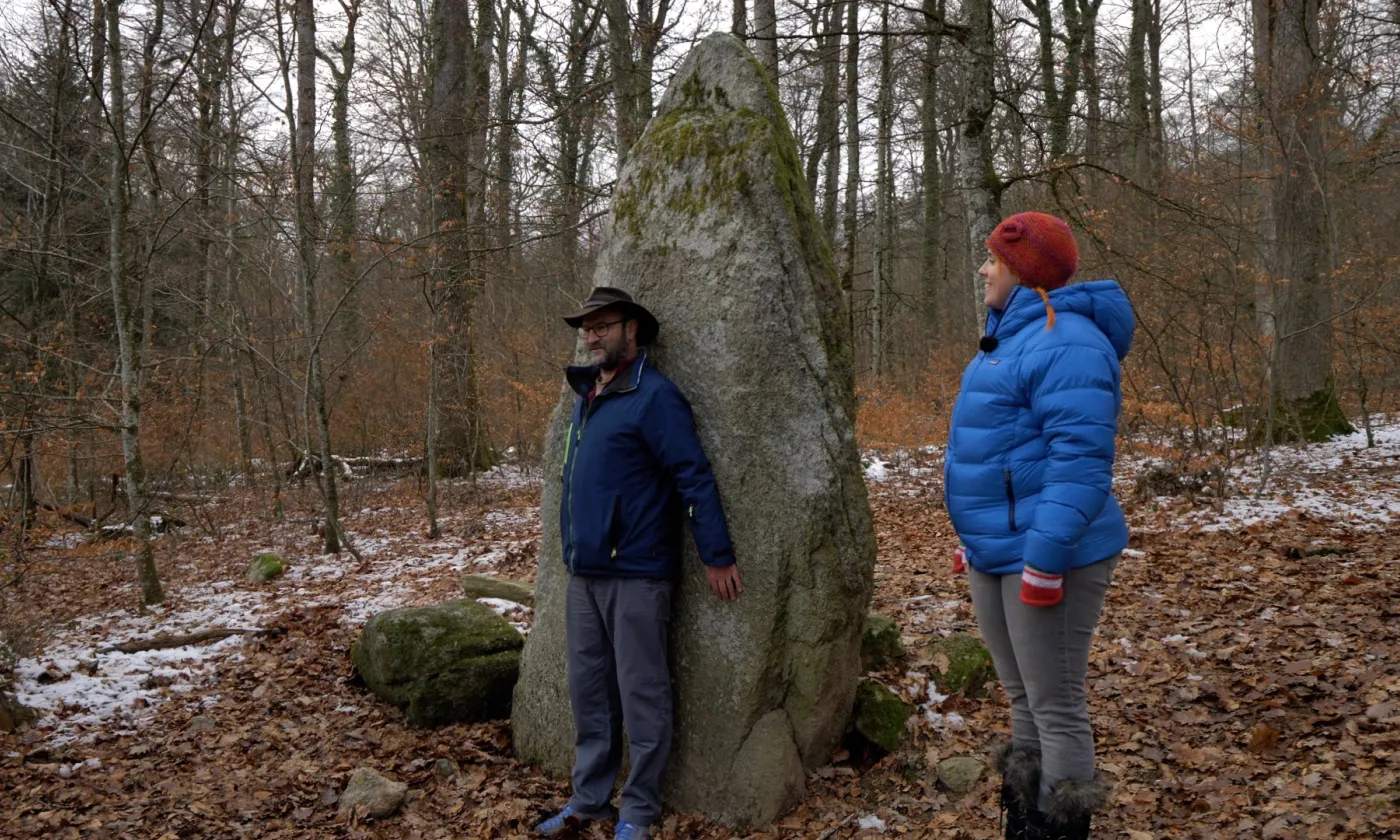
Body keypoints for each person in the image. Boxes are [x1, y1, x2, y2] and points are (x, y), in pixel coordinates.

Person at [943, 213, 1134, 839]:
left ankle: (1059, 827)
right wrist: (976, 537)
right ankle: (1024, 821)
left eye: (992, 260)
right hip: (999, 550)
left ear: (1022, 271)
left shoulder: (1068, 341)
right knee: (1022, 698)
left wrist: (1045, 559)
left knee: (1055, 705)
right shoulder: (1013, 338)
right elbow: (998, 454)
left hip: (1052, 553)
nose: (982, 269)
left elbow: (1079, 465)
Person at [535, 287, 743, 840]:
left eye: (602, 325)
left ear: (633, 329)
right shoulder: (588, 396)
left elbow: (692, 475)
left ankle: (639, 811)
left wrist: (716, 555)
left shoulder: (655, 397)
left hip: (638, 574)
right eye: (587, 327)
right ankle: (589, 800)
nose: (592, 335)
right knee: (589, 693)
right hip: (584, 574)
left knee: (642, 694)